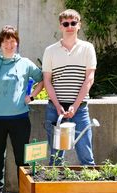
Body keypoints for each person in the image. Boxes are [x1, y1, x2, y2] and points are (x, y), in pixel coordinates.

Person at [0, 25, 44, 193]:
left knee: (22, 158)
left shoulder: (25, 64)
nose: (9, 44)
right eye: (5, 41)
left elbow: (43, 80)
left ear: (17, 43)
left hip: (20, 119)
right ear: (0, 43)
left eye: (12, 41)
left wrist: (32, 96)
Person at [42, 9, 97, 166]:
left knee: (86, 154)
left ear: (79, 25)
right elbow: (47, 81)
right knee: (56, 157)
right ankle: (55, 189)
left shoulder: (88, 48)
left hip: (80, 110)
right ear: (60, 26)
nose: (70, 26)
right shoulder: (50, 51)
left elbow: (89, 78)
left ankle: (90, 190)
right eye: (66, 23)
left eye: (73, 23)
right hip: (55, 109)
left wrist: (75, 105)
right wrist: (58, 105)